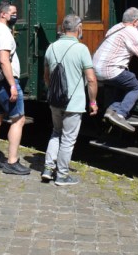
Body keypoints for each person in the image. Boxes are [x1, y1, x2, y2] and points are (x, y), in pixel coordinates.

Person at [42, 14, 98, 186]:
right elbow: (91, 79)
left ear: (63, 29)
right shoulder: (81, 49)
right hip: (74, 104)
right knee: (67, 139)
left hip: (55, 101)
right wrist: (93, 102)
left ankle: (47, 169)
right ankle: (62, 175)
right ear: (79, 28)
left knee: (56, 133)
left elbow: (46, 77)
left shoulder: (51, 47)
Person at [92, 7, 138, 132]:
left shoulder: (115, 28)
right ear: (135, 21)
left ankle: (110, 111)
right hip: (110, 71)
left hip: (96, 71)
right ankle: (121, 114)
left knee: (121, 83)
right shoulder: (132, 32)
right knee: (136, 87)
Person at [0, 0, 30, 175]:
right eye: (13, 13)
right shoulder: (3, 33)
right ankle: (12, 162)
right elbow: (4, 59)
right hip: (5, 82)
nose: (15, 15)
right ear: (3, 14)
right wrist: (12, 85)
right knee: (18, 119)